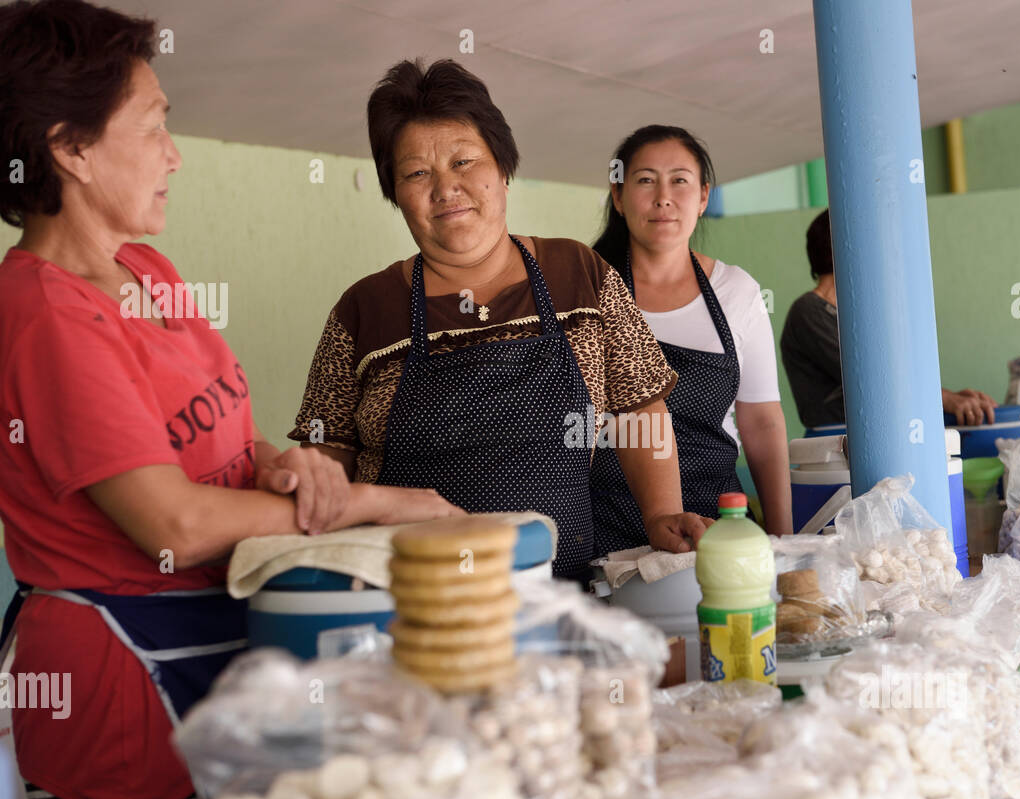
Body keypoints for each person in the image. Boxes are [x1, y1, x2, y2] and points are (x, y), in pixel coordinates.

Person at [0, 0, 456, 799]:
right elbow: (174, 521)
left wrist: (284, 466)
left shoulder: (144, 269)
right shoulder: (40, 315)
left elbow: (221, 443)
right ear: (70, 148)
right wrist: (375, 503)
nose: (174, 155)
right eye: (153, 127)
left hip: (217, 653)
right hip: (122, 702)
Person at [290, 61, 712, 581]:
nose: (446, 189)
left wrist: (660, 514)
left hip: (559, 588)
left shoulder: (578, 273)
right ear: (395, 192)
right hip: (408, 599)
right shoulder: (362, 309)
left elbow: (639, 407)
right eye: (417, 173)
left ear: (503, 169)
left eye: (465, 162)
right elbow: (324, 456)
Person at [589, 126, 791, 554]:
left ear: (702, 197)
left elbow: (762, 422)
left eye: (679, 180)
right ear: (619, 196)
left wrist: (783, 541)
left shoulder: (737, 291)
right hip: (603, 532)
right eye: (645, 180)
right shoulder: (585, 291)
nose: (663, 197)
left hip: (715, 528)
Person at [781, 209, 997, 428]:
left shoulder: (851, 315)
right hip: (835, 448)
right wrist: (946, 400)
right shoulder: (808, 311)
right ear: (846, 247)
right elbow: (877, 380)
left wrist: (951, 397)